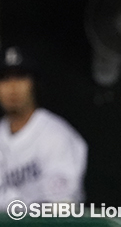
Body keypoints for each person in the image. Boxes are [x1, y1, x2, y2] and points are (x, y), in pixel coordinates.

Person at [0, 46, 88, 207]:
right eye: (4, 78)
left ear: (33, 84)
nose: (13, 87)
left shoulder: (56, 136)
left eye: (21, 77)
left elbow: (62, 205)